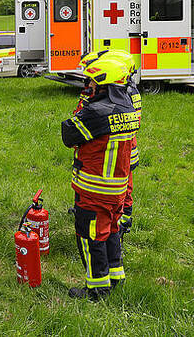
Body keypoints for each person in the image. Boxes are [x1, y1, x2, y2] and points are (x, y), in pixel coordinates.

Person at [61, 54, 139, 300]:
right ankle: (115, 277)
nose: (89, 85)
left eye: (93, 82)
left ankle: (97, 289)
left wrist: (86, 103)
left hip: (94, 189)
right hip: (117, 188)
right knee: (112, 231)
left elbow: (69, 134)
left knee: (90, 237)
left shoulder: (96, 111)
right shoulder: (128, 108)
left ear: (105, 84)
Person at [77, 50, 142, 237]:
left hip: (120, 150)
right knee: (121, 188)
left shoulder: (121, 96)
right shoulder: (121, 93)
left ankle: (122, 222)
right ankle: (116, 224)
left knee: (124, 189)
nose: (89, 81)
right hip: (121, 148)